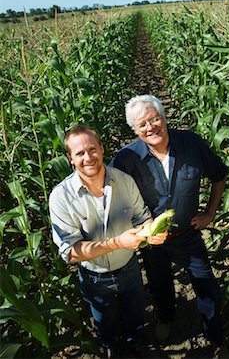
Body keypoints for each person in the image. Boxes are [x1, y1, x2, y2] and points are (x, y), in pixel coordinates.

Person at [111, 95, 229, 350]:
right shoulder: (126, 158)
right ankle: (166, 317)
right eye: (142, 124)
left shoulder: (191, 143)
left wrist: (210, 212)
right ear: (135, 130)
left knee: (207, 286)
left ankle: (214, 334)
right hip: (153, 241)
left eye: (155, 119)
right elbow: (108, 191)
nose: (151, 127)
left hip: (188, 235)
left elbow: (219, 174)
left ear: (164, 118)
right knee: (159, 283)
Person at [49, 125, 167, 358]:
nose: (88, 157)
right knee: (105, 323)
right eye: (80, 153)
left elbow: (142, 217)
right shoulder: (61, 197)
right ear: (70, 158)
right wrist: (116, 243)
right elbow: (70, 253)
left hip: (130, 270)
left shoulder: (124, 181)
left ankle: (134, 344)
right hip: (95, 277)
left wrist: (152, 232)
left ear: (102, 149)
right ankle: (113, 350)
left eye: (92, 149)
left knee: (135, 316)